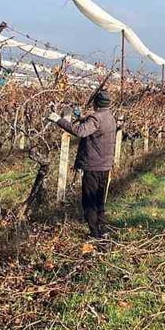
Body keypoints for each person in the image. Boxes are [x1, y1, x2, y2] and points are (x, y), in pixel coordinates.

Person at [48, 90, 119, 239]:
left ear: (96, 103)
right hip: (105, 165)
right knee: (99, 199)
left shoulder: (95, 118)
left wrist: (58, 120)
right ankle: (103, 228)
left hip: (93, 166)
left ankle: (94, 233)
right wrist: (81, 117)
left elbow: (80, 132)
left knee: (89, 200)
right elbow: (93, 127)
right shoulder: (110, 117)